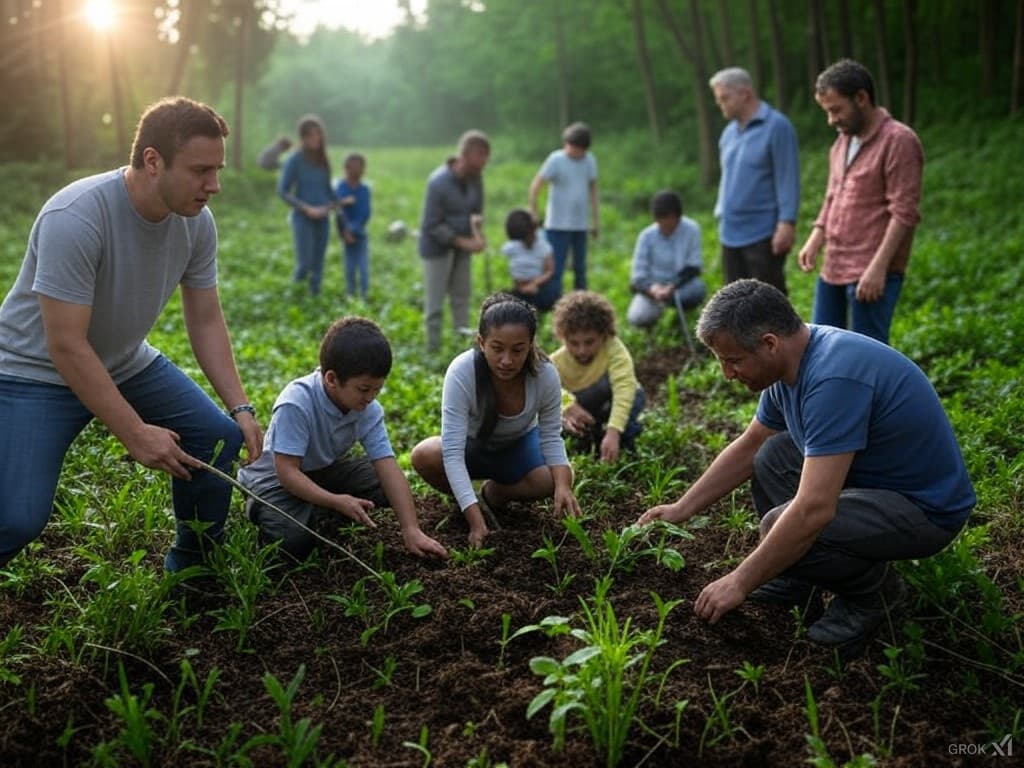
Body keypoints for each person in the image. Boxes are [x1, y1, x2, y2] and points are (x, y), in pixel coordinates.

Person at [0, 96, 263, 573]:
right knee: (16, 518)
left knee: (218, 439)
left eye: (218, 170)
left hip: (124, 362)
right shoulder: (76, 216)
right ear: (152, 161)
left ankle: (193, 572)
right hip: (32, 374)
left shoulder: (196, 222)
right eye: (201, 170)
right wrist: (136, 434)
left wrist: (240, 407)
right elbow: (66, 345)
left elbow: (205, 319)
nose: (215, 185)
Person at [639, 280, 975, 647]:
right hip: (874, 483)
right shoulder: (792, 361)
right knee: (771, 455)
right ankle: (797, 575)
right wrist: (681, 508)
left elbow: (814, 509)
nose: (727, 374)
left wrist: (739, 581)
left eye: (734, 361)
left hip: (924, 509)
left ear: (769, 343)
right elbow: (751, 444)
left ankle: (874, 595)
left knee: (778, 522)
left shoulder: (833, 378)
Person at [239, 318, 447, 562]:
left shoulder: (367, 409)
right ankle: (263, 505)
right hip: (273, 478)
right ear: (331, 379)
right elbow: (287, 473)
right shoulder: (296, 403)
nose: (370, 398)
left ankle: (316, 504)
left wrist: (411, 529)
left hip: (323, 469)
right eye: (364, 389)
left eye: (377, 390)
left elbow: (388, 465)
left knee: (385, 487)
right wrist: (336, 501)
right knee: (292, 542)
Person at [411, 294, 581, 547]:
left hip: (518, 449)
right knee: (425, 454)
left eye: (518, 350)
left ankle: (496, 493)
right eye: (497, 348)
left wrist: (563, 487)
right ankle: (469, 501)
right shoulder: (462, 372)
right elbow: (454, 453)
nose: (507, 360)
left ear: (531, 344)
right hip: (474, 448)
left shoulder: (544, 375)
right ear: (482, 342)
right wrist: (476, 521)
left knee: (560, 476)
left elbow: (550, 437)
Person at [797, 58, 924, 345]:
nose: (831, 120)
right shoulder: (842, 141)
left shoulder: (899, 140)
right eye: (827, 112)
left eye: (836, 110)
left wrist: (878, 268)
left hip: (872, 271)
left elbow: (904, 212)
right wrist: (817, 236)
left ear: (862, 98)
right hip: (834, 264)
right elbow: (833, 196)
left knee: (869, 354)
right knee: (820, 346)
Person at [709, 67, 799, 294]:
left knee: (768, 301)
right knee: (735, 302)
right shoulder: (728, 133)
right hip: (730, 232)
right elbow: (728, 178)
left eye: (724, 98)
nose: (720, 105)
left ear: (745, 94)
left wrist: (787, 223)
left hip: (762, 233)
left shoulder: (777, 127)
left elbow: (787, 177)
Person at [550, 291, 644, 463]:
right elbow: (539, 387)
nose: (582, 350)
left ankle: (623, 434)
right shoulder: (556, 362)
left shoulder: (614, 350)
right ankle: (595, 435)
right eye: (573, 343)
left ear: (604, 335)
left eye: (589, 342)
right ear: (562, 337)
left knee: (627, 421)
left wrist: (614, 431)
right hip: (587, 409)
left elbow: (624, 389)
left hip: (615, 401)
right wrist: (567, 405)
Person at [418, 131, 490, 352]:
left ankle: (463, 351)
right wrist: (463, 242)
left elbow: (476, 210)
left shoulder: (476, 178)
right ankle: (433, 352)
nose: (483, 164)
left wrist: (477, 230)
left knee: (461, 299)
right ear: (465, 155)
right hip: (437, 249)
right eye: (480, 157)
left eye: (486, 157)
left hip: (462, 251)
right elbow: (431, 225)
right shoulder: (438, 182)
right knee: (435, 306)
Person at [528, 122, 599, 294]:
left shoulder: (589, 160)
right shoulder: (556, 159)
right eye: (570, 146)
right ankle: (552, 303)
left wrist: (596, 221)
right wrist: (534, 213)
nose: (572, 151)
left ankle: (581, 307)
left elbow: (593, 190)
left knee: (580, 269)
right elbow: (536, 186)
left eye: (577, 149)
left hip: (580, 225)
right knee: (555, 268)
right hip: (557, 225)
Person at [627, 190, 707, 330]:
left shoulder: (692, 229)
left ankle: (680, 316)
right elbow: (637, 278)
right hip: (654, 287)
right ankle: (655, 313)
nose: (665, 227)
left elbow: (694, 266)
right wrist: (652, 289)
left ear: (678, 217)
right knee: (637, 317)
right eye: (661, 222)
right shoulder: (646, 236)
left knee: (698, 289)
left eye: (669, 223)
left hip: (680, 286)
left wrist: (672, 286)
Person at [278, 115, 338, 297]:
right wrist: (306, 208)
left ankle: (314, 297)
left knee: (318, 264)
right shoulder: (294, 160)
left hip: (323, 218)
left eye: (318, 135)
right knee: (304, 263)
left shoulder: (323, 161)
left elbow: (328, 190)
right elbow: (283, 191)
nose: (315, 139)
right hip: (303, 218)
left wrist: (334, 204)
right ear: (303, 138)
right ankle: (296, 297)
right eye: (311, 135)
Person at [500, 208, 557, 311]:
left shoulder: (543, 246)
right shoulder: (512, 246)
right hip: (517, 286)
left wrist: (534, 283)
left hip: (537, 286)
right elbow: (502, 267)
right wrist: (519, 286)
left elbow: (549, 270)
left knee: (546, 297)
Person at [334, 152, 372, 300]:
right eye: (353, 167)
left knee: (363, 268)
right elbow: (338, 211)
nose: (357, 171)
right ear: (346, 168)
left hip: (360, 233)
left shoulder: (364, 189)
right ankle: (350, 294)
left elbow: (365, 213)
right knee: (349, 267)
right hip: (345, 233)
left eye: (360, 167)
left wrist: (352, 229)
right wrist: (345, 231)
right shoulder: (340, 187)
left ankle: (364, 296)